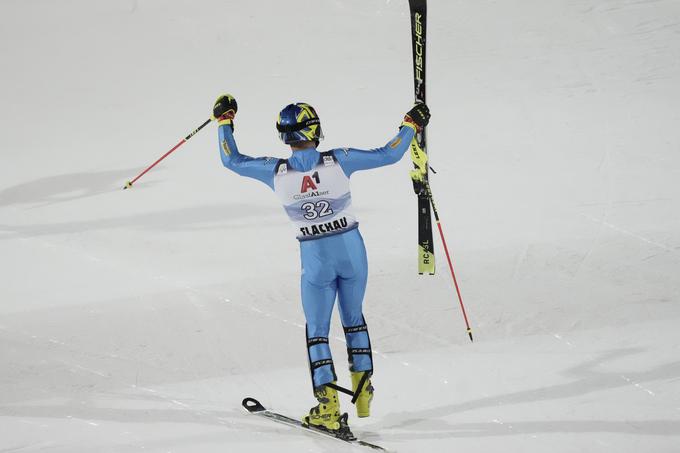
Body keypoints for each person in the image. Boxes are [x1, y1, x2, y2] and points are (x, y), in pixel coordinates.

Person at [212, 94, 430, 432]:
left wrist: (224, 121)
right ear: (316, 131)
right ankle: (363, 392)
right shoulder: (338, 161)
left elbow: (232, 161)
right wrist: (411, 124)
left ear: (284, 136)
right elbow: (389, 154)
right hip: (352, 252)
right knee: (354, 318)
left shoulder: (276, 171)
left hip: (315, 260)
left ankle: (327, 404)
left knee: (318, 332)